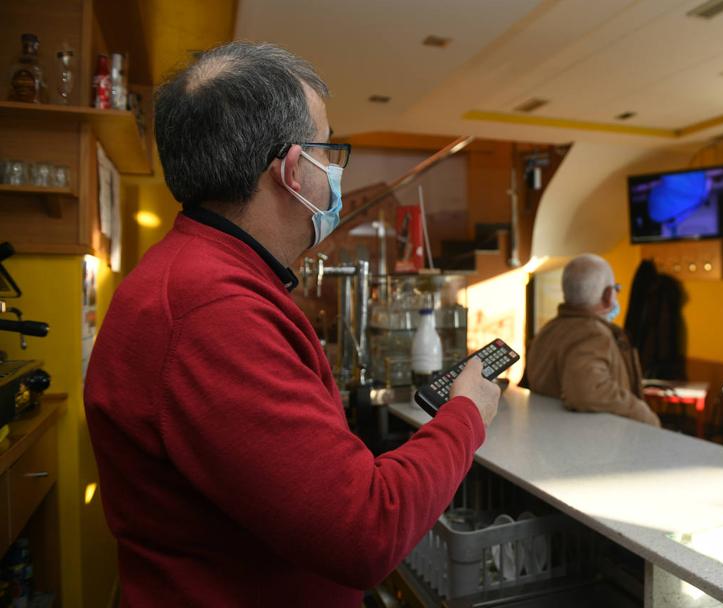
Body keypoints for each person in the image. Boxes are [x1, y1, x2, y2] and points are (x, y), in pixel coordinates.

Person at [83, 42, 501, 607]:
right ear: (291, 170)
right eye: (329, 151)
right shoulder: (212, 312)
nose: (335, 171)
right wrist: (467, 412)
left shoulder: (204, 276)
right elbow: (367, 531)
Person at [526, 254, 661, 426]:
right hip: (589, 443)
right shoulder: (594, 335)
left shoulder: (548, 330)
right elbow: (586, 391)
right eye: (616, 289)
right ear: (608, 295)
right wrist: (644, 414)